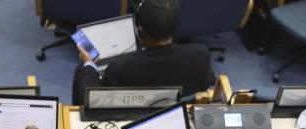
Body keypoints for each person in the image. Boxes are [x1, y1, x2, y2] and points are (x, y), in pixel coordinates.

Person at [71, 0, 214, 105]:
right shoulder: (200, 54)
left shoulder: (122, 67)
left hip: (127, 120)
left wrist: (89, 63)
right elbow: (207, 82)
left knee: (82, 70)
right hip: (177, 114)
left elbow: (91, 98)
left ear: (140, 32)